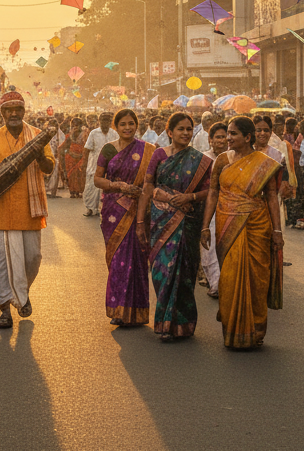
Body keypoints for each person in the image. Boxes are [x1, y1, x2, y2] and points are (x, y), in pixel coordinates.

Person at [199, 117, 283, 350]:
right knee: (229, 278)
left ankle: (255, 329)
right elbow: (213, 193)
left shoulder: (264, 163)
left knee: (257, 279)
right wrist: (205, 226)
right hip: (227, 224)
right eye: (228, 133)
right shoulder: (222, 161)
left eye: (233, 134)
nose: (228, 138)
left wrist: (277, 231)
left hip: (257, 224)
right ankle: (233, 328)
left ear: (248, 137)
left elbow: (272, 198)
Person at [0, 91, 55, 327]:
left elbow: (49, 167)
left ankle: (21, 292)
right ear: (2, 114)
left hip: (30, 211)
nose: (14, 114)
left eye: (18, 109)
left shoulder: (38, 136)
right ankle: (5, 311)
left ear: (24, 111)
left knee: (33, 259)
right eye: (8, 110)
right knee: (0, 265)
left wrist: (39, 155)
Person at [138, 112, 212, 340]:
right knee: (162, 270)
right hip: (160, 222)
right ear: (170, 132)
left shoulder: (200, 160)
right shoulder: (159, 155)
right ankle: (164, 322)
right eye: (180, 129)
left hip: (187, 223)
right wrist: (140, 221)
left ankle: (182, 325)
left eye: (189, 129)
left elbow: (210, 191)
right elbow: (147, 186)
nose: (186, 133)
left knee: (185, 273)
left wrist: (190, 198)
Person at [94, 109, 154, 327]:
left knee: (137, 260)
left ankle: (137, 312)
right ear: (115, 127)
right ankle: (118, 309)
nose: (127, 128)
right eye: (123, 124)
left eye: (131, 123)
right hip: (114, 211)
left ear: (136, 125)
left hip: (138, 211)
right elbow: (97, 180)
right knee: (118, 260)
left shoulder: (148, 151)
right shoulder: (108, 150)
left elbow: (152, 181)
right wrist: (118, 185)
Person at [199, 121, 229, 298]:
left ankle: (228, 282)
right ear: (210, 139)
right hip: (209, 207)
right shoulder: (204, 159)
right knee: (209, 244)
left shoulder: (234, 157)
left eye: (225, 136)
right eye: (218, 137)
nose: (222, 140)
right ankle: (215, 283)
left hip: (230, 206)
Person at [83, 112, 118, 217]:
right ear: (99, 121)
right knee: (91, 186)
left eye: (107, 121)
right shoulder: (93, 133)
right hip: (94, 164)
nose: (105, 123)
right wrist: (84, 163)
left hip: (110, 164)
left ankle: (104, 209)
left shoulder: (114, 134)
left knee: (107, 185)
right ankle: (90, 208)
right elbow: (87, 149)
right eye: (103, 121)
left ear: (110, 122)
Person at [60, 119, 87, 197]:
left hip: (81, 157)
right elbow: (64, 147)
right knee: (71, 175)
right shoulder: (69, 136)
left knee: (79, 174)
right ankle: (72, 191)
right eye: (73, 126)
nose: (75, 127)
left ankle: (79, 191)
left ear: (81, 126)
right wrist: (68, 154)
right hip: (70, 158)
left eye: (77, 125)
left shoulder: (85, 135)